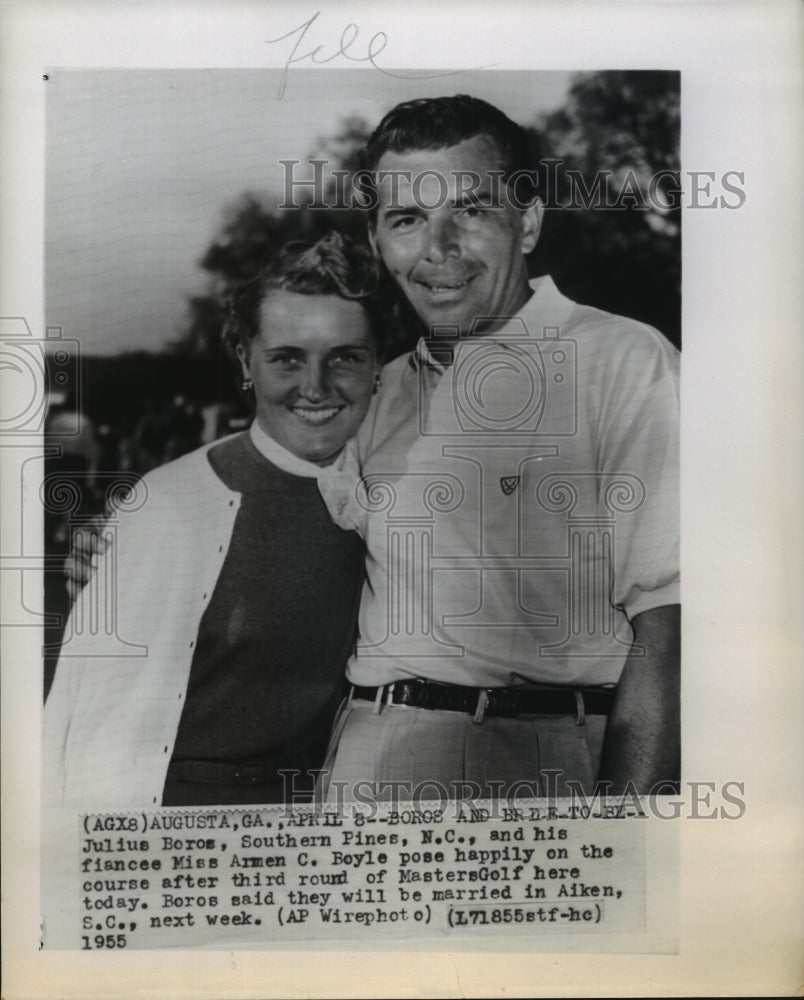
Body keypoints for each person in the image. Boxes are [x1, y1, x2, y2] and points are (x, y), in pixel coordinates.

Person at [318, 95, 680, 802]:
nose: (439, 248)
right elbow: (281, 538)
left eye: (472, 211)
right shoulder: (374, 390)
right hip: (372, 756)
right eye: (407, 219)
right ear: (377, 241)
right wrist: (126, 550)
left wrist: (626, 841)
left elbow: (671, 627)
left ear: (529, 222)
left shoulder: (623, 358)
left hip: (550, 760)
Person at [43, 232, 383, 808]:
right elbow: (86, 724)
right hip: (173, 824)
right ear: (245, 361)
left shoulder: (397, 490)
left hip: (325, 825)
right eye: (287, 358)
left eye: (345, 356)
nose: (317, 387)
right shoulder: (170, 503)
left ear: (379, 364)